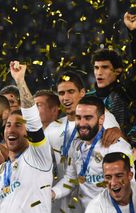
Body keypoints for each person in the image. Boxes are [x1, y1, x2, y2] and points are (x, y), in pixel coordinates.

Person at [0, 61, 53, 212]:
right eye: (8, 125)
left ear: (28, 132)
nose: (11, 130)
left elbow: (33, 121)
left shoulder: (38, 157)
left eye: (18, 125)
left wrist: (20, 81)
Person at [52, 96, 133, 210]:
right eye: (78, 118)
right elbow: (71, 178)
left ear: (101, 119)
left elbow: (131, 185)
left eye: (88, 118)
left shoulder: (116, 146)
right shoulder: (76, 145)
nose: (82, 123)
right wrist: (52, 193)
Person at [88, 11, 136, 144]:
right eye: (96, 68)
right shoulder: (88, 98)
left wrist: (133, 32)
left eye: (105, 67)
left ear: (118, 71)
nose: (99, 72)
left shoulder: (127, 93)